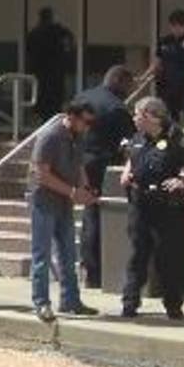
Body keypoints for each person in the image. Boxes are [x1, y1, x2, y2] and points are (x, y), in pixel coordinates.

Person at [120, 97, 184, 320]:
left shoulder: (180, 136)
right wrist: (127, 172)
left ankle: (173, 305)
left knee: (168, 257)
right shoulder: (138, 137)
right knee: (137, 255)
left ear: (151, 117)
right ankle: (129, 303)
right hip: (140, 204)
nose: (134, 119)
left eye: (137, 115)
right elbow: (132, 155)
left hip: (167, 207)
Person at [28, 100, 101, 322]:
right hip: (43, 199)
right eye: (85, 121)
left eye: (91, 122)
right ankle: (41, 302)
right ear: (71, 116)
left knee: (68, 252)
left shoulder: (77, 137)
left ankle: (70, 300)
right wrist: (72, 191)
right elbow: (41, 173)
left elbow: (79, 166)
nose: (88, 126)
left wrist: (85, 188)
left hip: (64, 201)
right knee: (42, 253)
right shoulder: (50, 137)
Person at [73, 66, 136, 289]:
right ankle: (95, 272)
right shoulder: (116, 108)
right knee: (96, 213)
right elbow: (131, 142)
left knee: (90, 213)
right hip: (101, 164)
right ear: (120, 81)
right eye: (129, 85)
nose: (131, 91)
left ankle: (88, 268)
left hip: (78, 159)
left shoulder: (83, 96)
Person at [143, 9, 184, 152]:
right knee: (169, 119)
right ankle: (171, 147)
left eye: (180, 26)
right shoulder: (165, 42)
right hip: (168, 87)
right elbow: (156, 62)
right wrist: (144, 76)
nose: (177, 29)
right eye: (174, 26)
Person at [26, 7, 76, 121]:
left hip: (42, 71)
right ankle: (51, 119)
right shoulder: (55, 29)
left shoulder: (36, 32)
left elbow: (28, 50)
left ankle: (45, 118)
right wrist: (68, 51)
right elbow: (69, 36)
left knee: (44, 96)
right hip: (53, 71)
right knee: (53, 97)